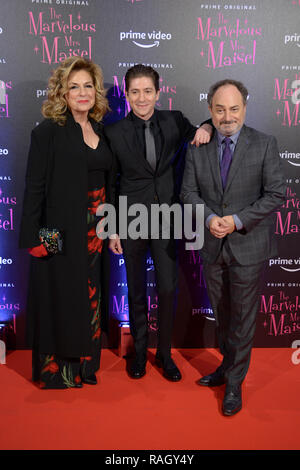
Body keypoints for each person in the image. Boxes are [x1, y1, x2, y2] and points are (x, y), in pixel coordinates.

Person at [180, 79, 286, 415]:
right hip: (212, 245)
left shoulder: (264, 144)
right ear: (210, 110)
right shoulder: (198, 147)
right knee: (223, 315)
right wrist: (211, 218)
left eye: (234, 109)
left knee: (242, 317)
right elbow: (187, 194)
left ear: (245, 107)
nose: (228, 117)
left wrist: (237, 220)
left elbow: (275, 194)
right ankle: (226, 367)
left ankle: (235, 384)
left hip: (248, 245)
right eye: (220, 109)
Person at [105, 64, 212, 382]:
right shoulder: (112, 132)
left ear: (158, 92)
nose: (141, 98)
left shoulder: (174, 120)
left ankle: (164, 355)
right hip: (131, 219)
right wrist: (111, 226)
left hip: (167, 217)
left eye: (147, 91)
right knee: (136, 290)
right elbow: (110, 183)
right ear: (127, 94)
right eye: (135, 91)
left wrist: (205, 126)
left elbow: (201, 131)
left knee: (167, 288)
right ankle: (138, 353)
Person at [19, 57, 113, 389]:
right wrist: (34, 237)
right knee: (60, 297)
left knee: (89, 297)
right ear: (62, 92)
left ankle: (87, 367)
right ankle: (58, 372)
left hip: (95, 233)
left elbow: (108, 182)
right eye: (74, 86)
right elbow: (34, 188)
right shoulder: (48, 132)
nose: (82, 92)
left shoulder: (100, 129)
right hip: (60, 232)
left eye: (88, 85)